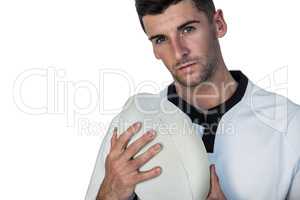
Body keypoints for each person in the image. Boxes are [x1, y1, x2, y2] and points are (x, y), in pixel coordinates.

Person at [85, 0, 300, 199]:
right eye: (161, 39)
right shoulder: (130, 128)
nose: (178, 52)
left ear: (218, 24)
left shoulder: (289, 125)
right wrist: (109, 194)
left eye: (187, 29)